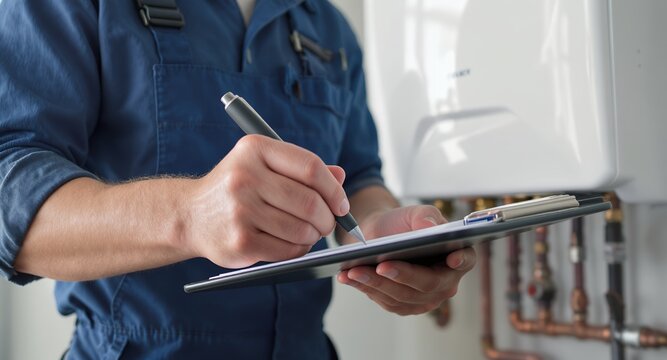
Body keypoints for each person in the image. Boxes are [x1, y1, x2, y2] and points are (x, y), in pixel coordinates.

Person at [0, 0, 476, 358]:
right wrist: (188, 216)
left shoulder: (327, 26)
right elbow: (10, 199)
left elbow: (359, 178)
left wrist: (383, 231)